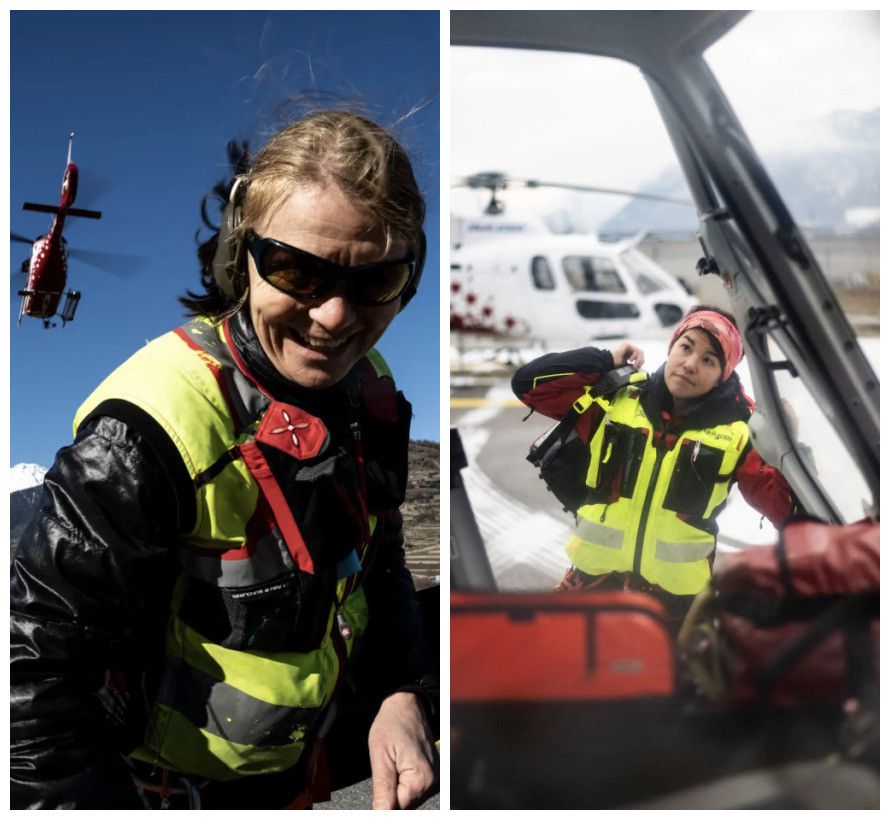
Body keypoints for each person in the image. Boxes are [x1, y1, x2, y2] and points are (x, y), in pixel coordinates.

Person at [10, 110, 438, 810]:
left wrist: (402, 692)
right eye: (297, 270)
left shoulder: (371, 394)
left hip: (293, 779)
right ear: (239, 258)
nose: (334, 316)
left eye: (375, 280)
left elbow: (379, 559)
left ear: (408, 279)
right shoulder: (148, 426)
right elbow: (29, 674)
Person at [512, 306, 795, 631]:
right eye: (686, 347)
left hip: (677, 613)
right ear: (671, 347)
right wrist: (603, 360)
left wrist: (785, 442)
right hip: (591, 589)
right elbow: (528, 385)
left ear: (723, 374)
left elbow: (785, 509)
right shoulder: (616, 396)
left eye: (709, 360)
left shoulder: (740, 429)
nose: (690, 364)